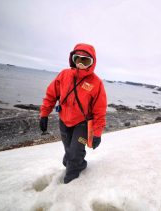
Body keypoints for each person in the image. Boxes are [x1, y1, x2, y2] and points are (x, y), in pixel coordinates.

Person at [39, 43, 107, 184]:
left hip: (82, 124)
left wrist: (97, 133)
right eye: (78, 59)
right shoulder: (64, 75)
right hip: (64, 121)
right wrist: (44, 114)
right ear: (73, 59)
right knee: (69, 151)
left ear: (92, 63)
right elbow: (51, 95)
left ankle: (70, 181)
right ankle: (78, 163)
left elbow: (100, 110)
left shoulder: (96, 83)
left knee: (75, 152)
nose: (81, 64)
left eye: (86, 60)